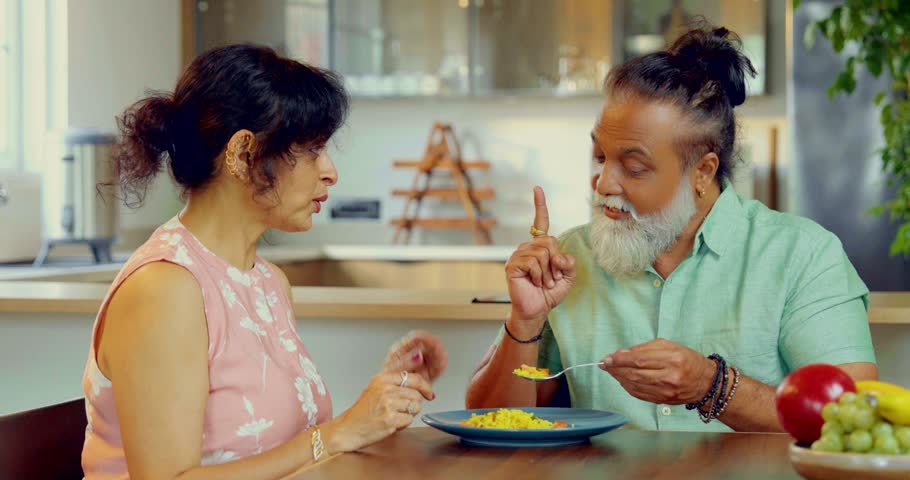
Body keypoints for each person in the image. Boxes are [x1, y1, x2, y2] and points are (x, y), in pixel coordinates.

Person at [465, 26, 877, 432]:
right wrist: (525, 320)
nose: (604, 183)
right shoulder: (569, 259)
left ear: (702, 172)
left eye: (634, 167)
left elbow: (851, 419)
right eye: (600, 156)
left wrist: (712, 386)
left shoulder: (802, 255)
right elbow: (492, 422)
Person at [81, 44, 448, 479]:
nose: (330, 171)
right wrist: (336, 433)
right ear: (243, 155)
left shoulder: (268, 281)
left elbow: (278, 449)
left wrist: (378, 405)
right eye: (312, 150)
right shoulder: (164, 288)